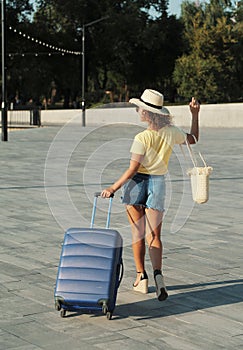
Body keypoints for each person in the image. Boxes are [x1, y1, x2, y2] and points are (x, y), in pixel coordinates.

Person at [101, 89, 200, 301]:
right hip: (159, 183)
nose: (138, 111)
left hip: (136, 185)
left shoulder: (141, 137)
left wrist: (113, 188)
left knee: (137, 234)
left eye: (140, 109)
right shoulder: (171, 132)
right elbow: (193, 139)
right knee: (154, 236)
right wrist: (194, 114)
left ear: (147, 114)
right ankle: (158, 275)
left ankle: (141, 277)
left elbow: (133, 170)